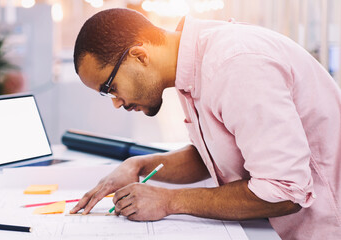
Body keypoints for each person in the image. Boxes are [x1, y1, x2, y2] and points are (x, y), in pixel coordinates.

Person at [70, 8, 341, 240]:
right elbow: (216, 156)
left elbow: (285, 192)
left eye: (110, 87)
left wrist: (169, 201)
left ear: (140, 56)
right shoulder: (190, 66)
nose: (116, 102)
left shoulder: (234, 64)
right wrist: (139, 165)